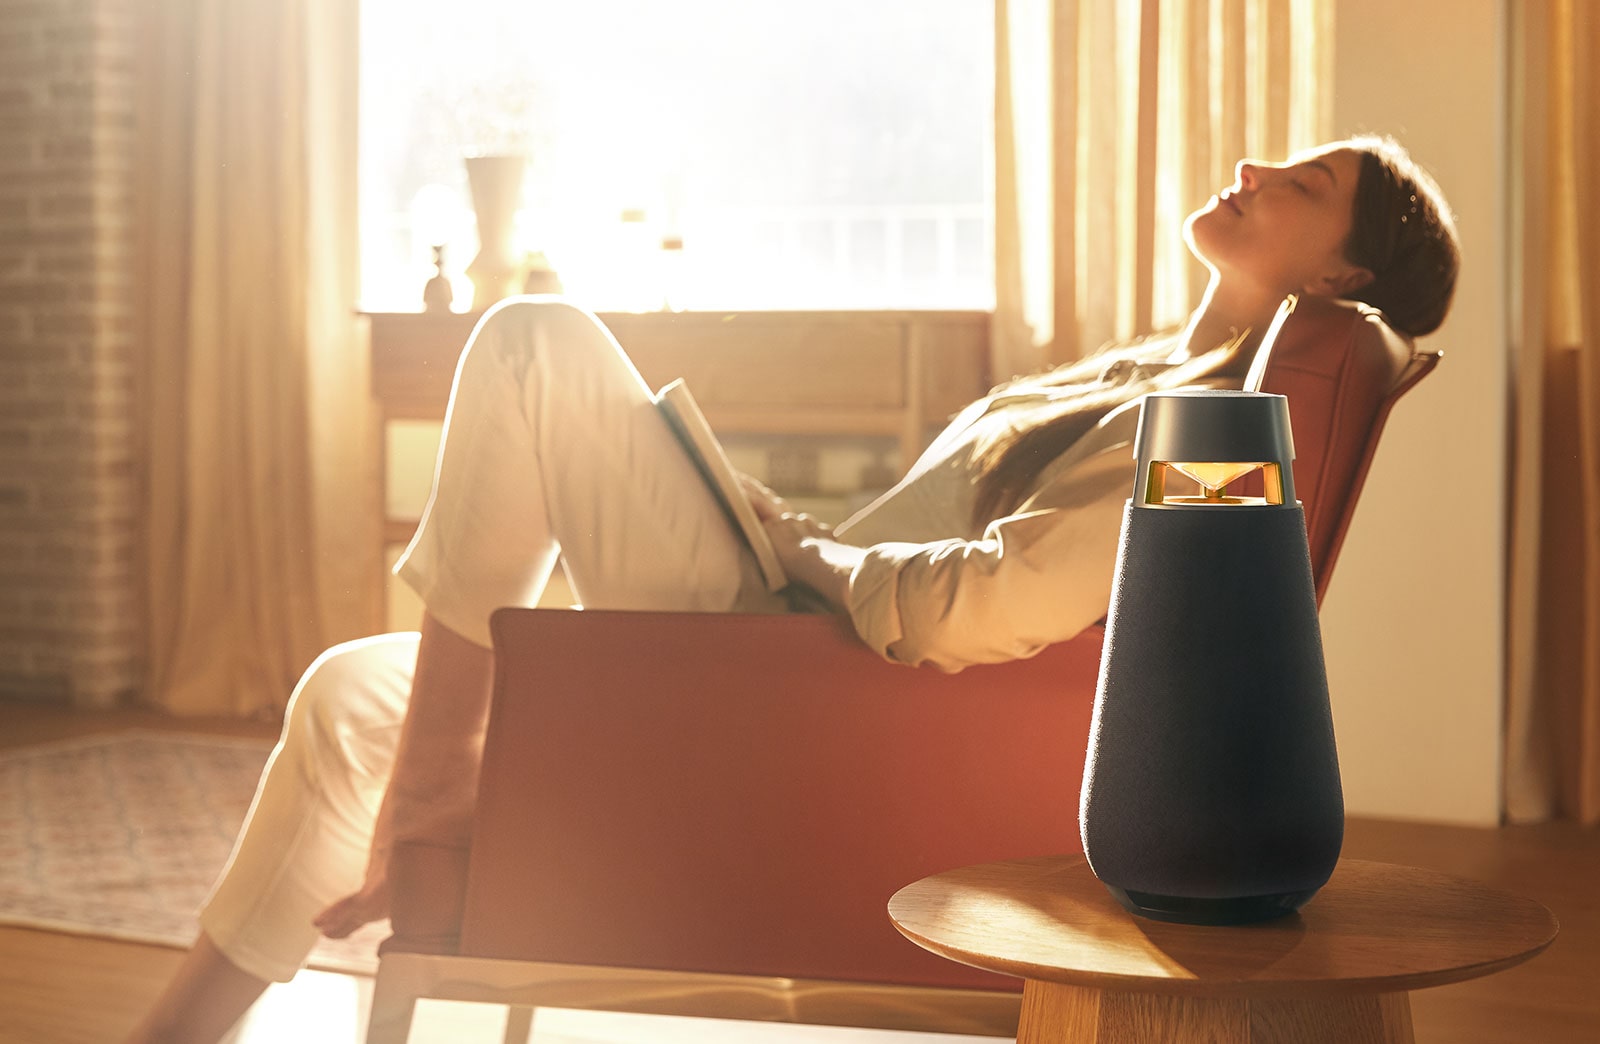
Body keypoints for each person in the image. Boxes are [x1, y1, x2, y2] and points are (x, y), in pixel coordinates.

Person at [125, 134, 1458, 1043]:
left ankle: (437, 787)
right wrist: (794, 531)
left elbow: (977, 611)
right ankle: (184, 1025)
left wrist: (806, 552)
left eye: (1301, 180)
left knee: (534, 344)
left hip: (817, 672)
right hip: (796, 624)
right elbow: (938, 556)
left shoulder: (1205, 428)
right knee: (356, 688)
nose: (1253, 168)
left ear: (1342, 277)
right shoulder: (1126, 375)